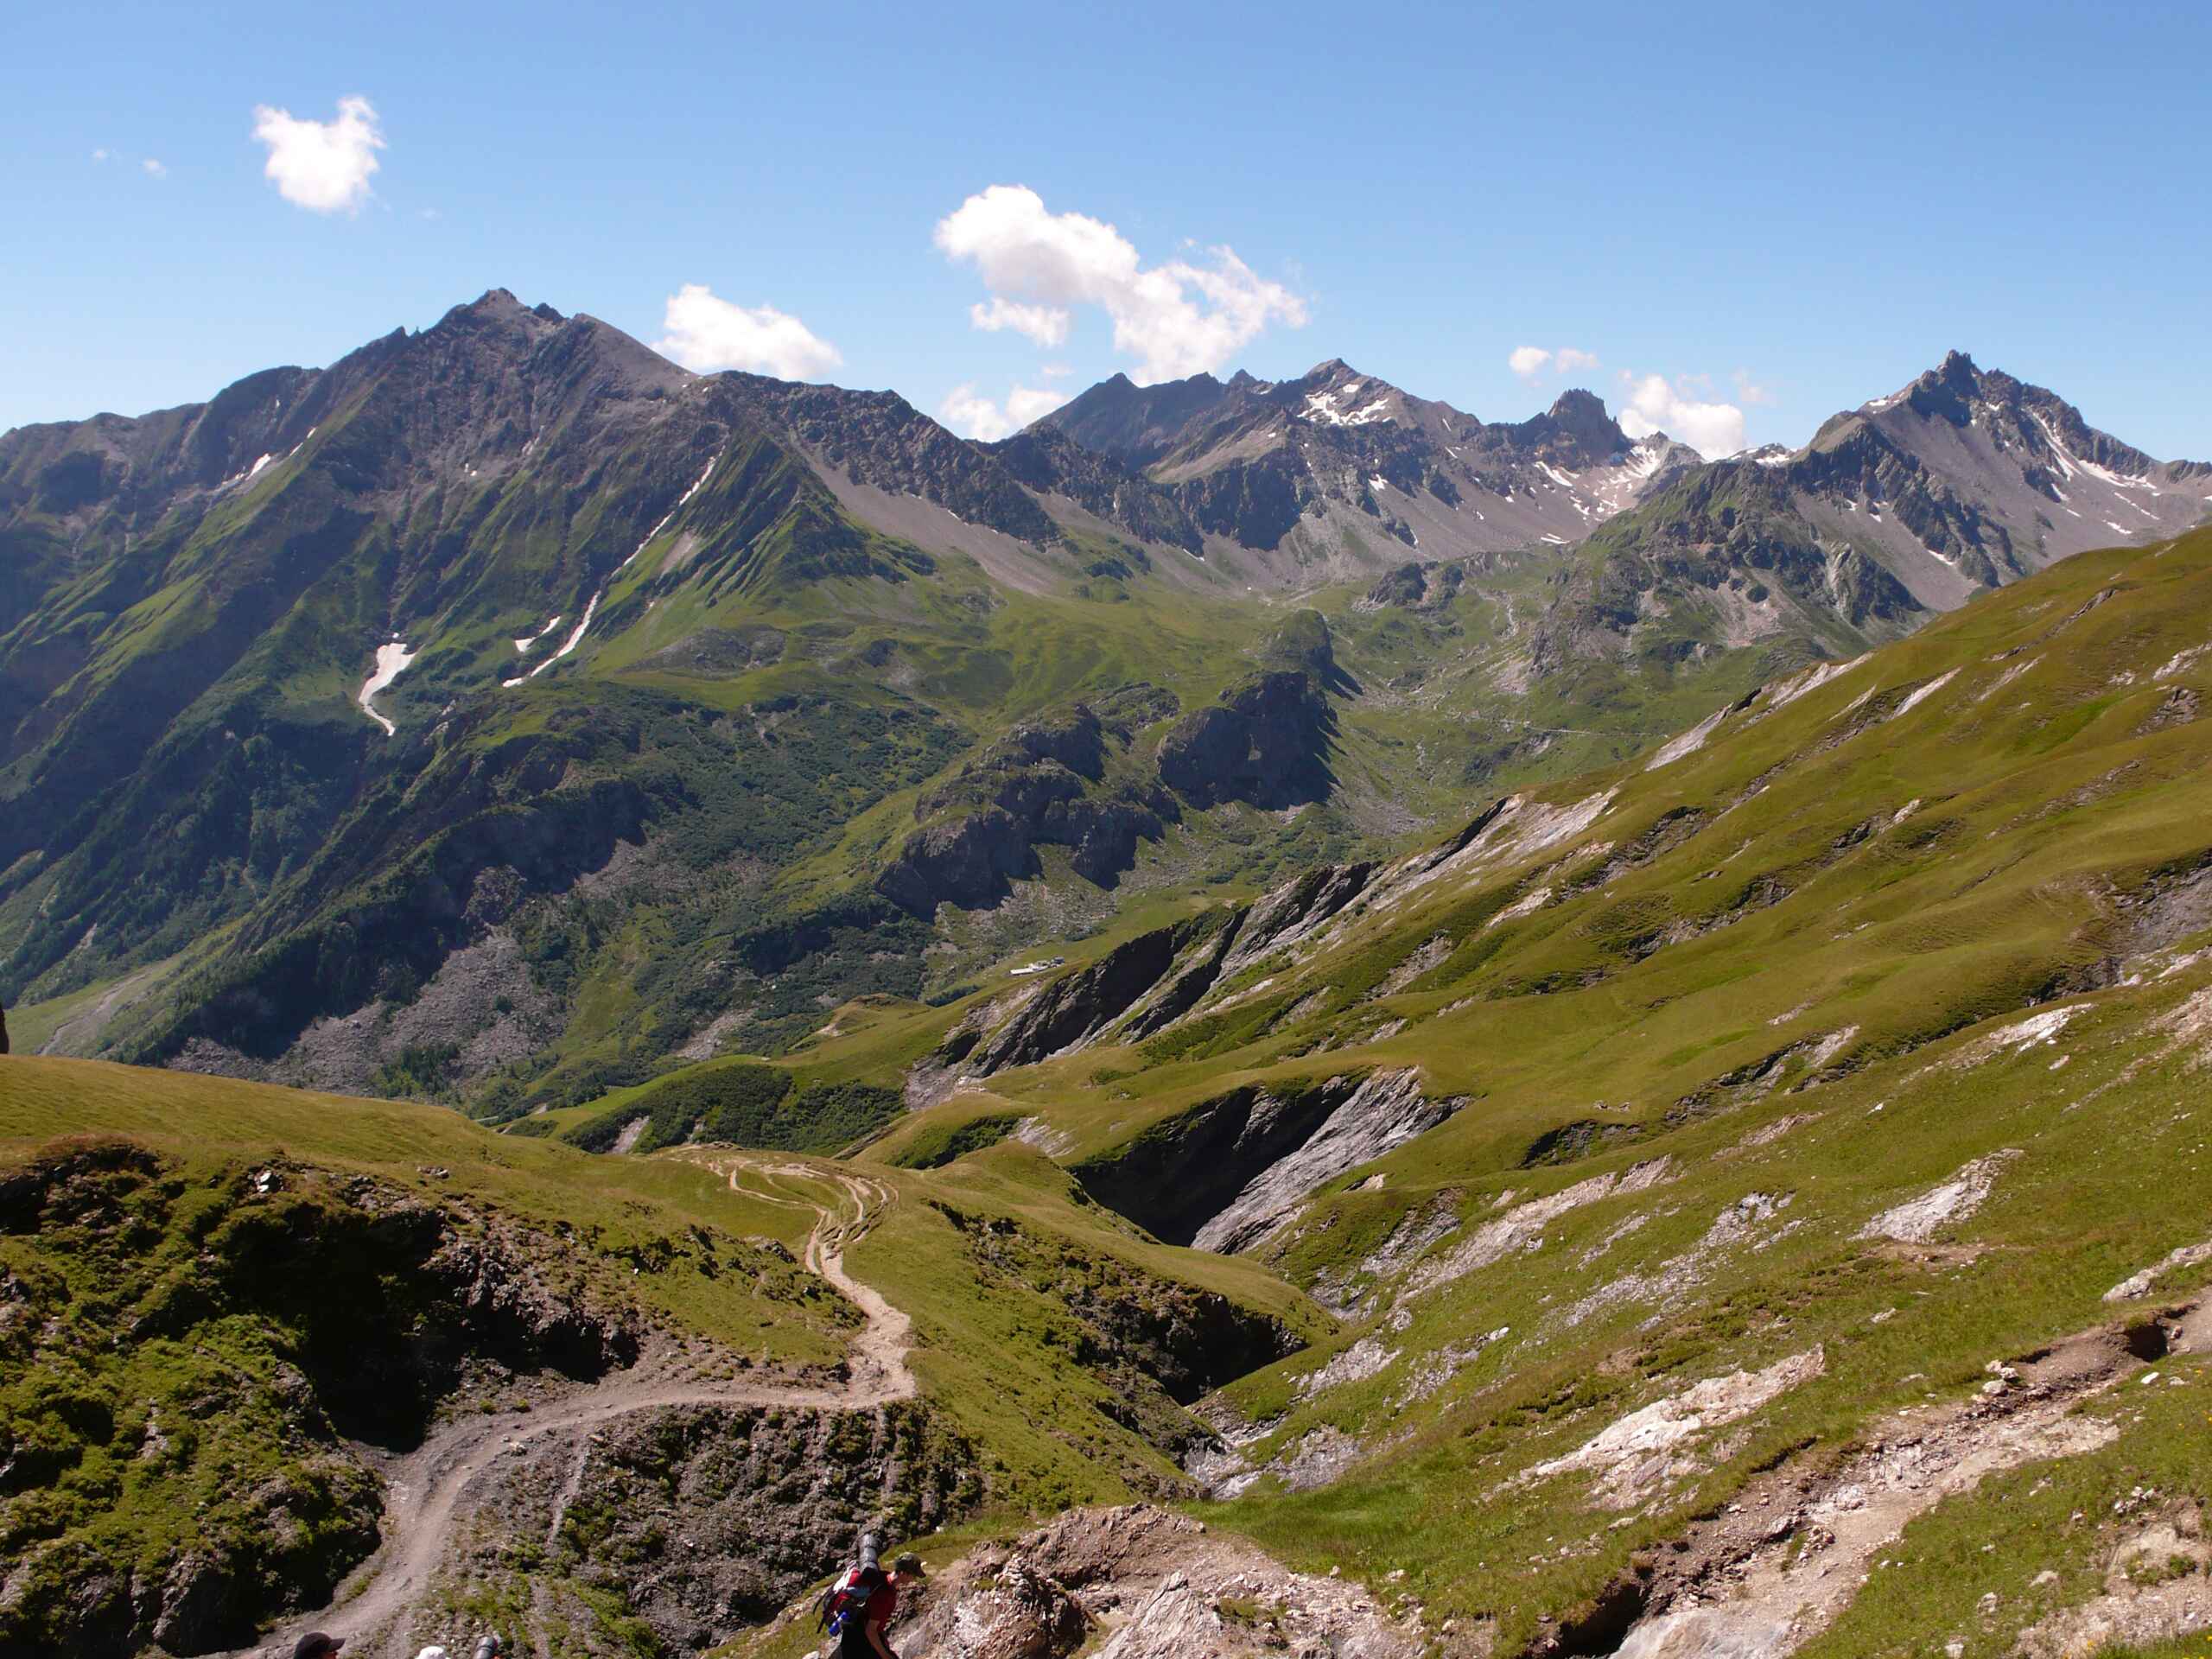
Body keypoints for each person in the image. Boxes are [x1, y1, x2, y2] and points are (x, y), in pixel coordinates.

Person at [823, 1543, 924, 1659]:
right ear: (903, 1573)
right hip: (861, 1642)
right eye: (913, 1575)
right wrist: (885, 1656)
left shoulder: (882, 1576)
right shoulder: (886, 1594)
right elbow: (871, 1631)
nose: (913, 1579)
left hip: (852, 1633)